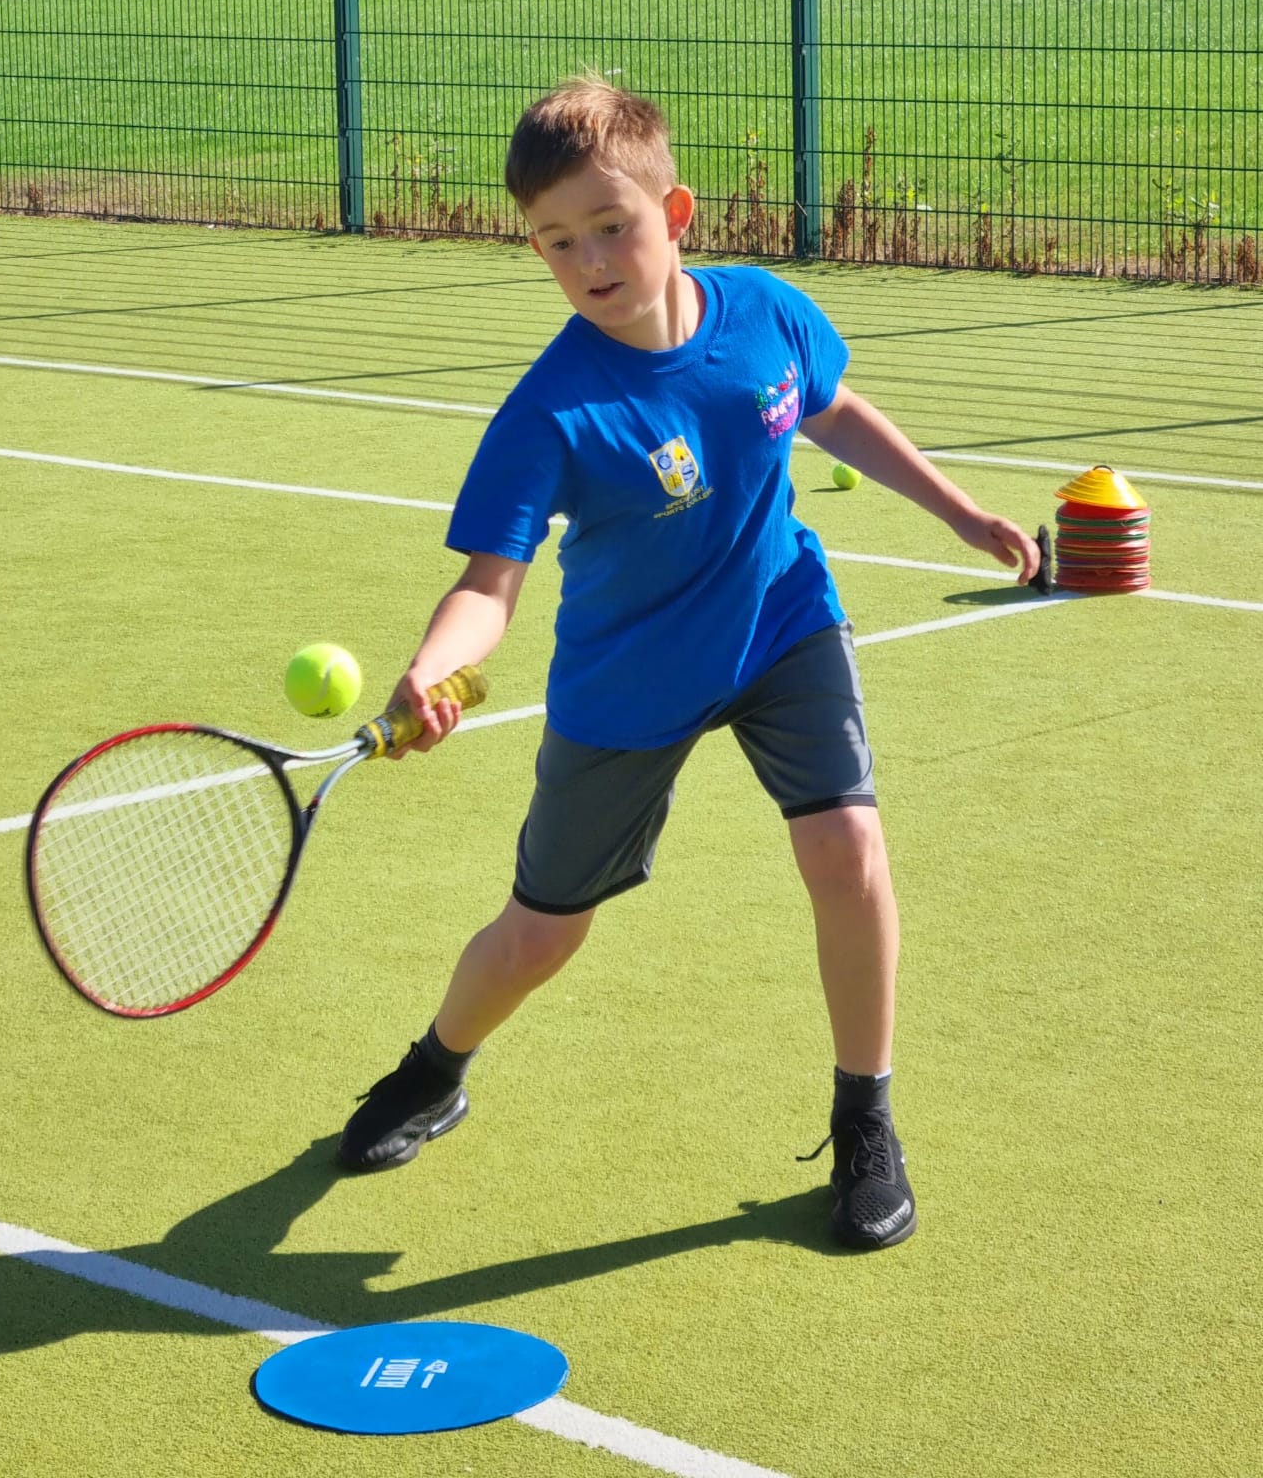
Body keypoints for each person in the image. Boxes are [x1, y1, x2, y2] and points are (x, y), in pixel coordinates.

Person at [336, 77, 1040, 1251]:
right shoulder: (550, 413)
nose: (590, 260)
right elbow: (487, 584)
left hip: (779, 620)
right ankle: (434, 1065)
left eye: (611, 226)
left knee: (847, 844)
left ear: (679, 213)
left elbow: (831, 406)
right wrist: (431, 665)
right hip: (626, 683)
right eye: (557, 243)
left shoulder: (765, 313)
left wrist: (960, 515)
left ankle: (864, 1116)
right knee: (541, 933)